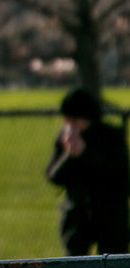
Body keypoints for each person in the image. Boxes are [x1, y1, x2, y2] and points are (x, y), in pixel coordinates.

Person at [46, 87, 130, 256]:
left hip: (110, 215)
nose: (69, 125)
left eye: (74, 119)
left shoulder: (110, 136)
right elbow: (54, 176)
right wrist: (69, 155)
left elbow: (119, 174)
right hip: (77, 215)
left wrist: (85, 153)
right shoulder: (65, 139)